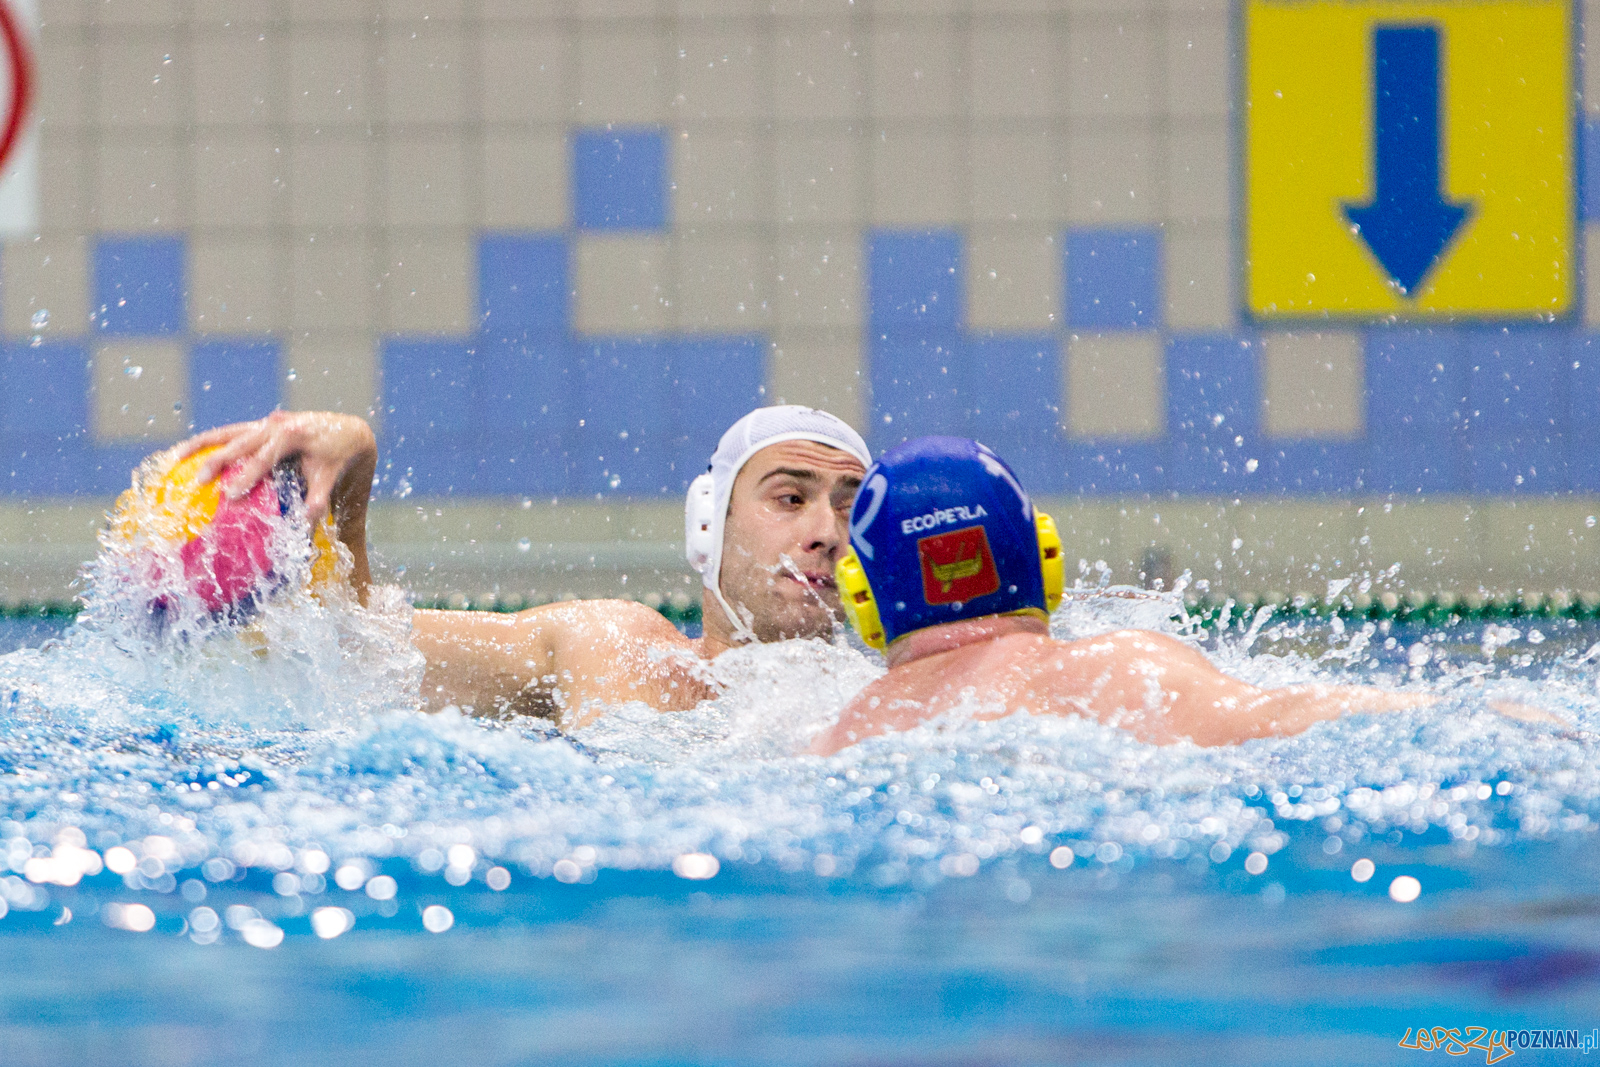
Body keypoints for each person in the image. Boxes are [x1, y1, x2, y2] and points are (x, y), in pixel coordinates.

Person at [175, 406, 870, 726]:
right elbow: (351, 647)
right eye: (790, 497)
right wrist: (355, 467)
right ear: (707, 523)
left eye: (849, 507)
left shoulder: (895, 691)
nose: (825, 532)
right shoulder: (610, 649)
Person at [812, 436, 1436, 755]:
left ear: (861, 596)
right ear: (1043, 558)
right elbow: (1285, 720)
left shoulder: (846, 734)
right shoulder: (1124, 669)